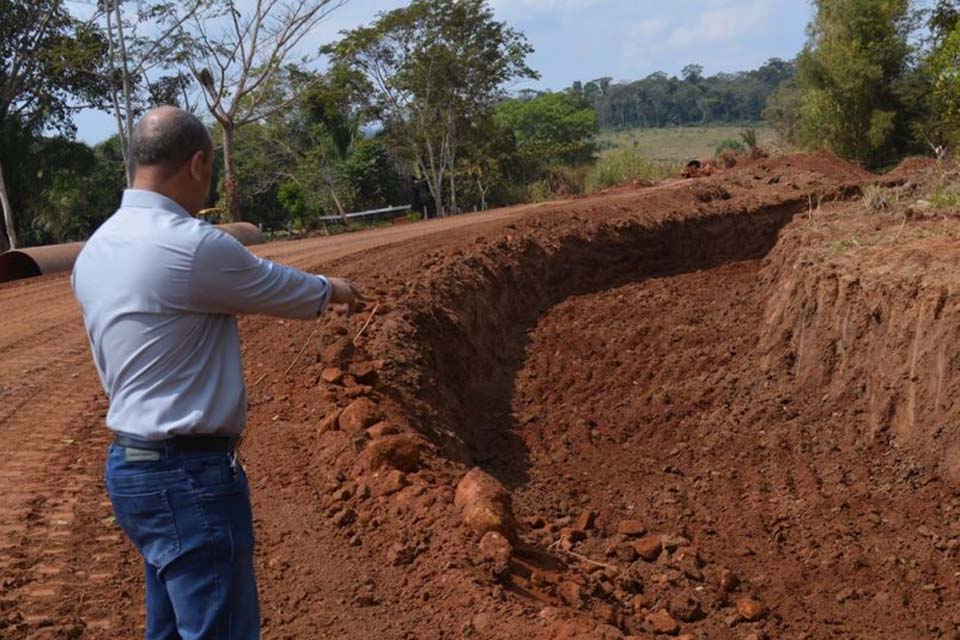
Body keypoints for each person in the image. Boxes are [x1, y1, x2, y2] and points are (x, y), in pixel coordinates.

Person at [71, 106, 364, 639]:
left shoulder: (94, 251)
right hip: (188, 476)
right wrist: (335, 289)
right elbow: (278, 286)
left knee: (169, 627)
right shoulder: (192, 245)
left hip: (131, 468)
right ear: (199, 163)